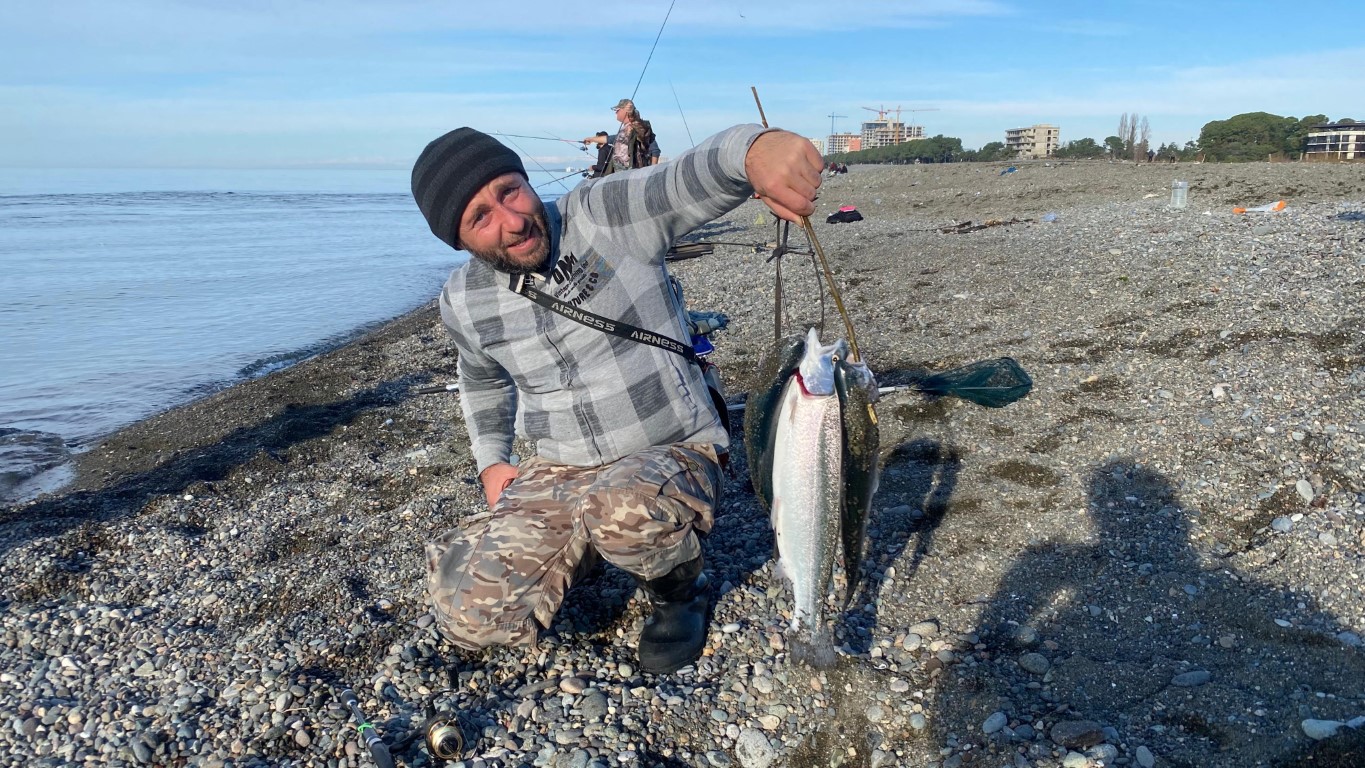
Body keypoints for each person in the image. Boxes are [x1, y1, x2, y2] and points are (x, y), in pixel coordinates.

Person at [411, 123, 822, 674]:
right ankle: (566, 545)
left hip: (670, 445)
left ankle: (681, 589)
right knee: (471, 618)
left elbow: (686, 179)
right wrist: (491, 461)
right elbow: (482, 379)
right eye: (480, 217)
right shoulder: (461, 302)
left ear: (527, 179)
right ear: (458, 241)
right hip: (557, 469)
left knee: (622, 507)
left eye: (510, 190)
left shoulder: (603, 214)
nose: (511, 222)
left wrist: (753, 151)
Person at [582, 98, 661, 174]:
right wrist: (592, 139)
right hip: (620, 175)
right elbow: (611, 139)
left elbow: (655, 150)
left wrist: (651, 173)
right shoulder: (624, 130)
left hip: (633, 175)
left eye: (617, 110)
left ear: (625, 111)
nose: (616, 113)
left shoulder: (641, 128)